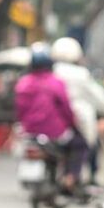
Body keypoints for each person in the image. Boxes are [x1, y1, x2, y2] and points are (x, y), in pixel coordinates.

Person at [15, 42, 87, 188]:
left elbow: (20, 111)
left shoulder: (23, 83)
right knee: (80, 144)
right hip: (55, 133)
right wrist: (73, 123)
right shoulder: (55, 82)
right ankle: (71, 177)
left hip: (30, 132)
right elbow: (66, 109)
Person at [50, 37, 104, 178]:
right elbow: (98, 96)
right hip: (77, 120)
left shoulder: (50, 73)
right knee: (87, 144)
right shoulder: (80, 74)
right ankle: (81, 177)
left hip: (53, 123)